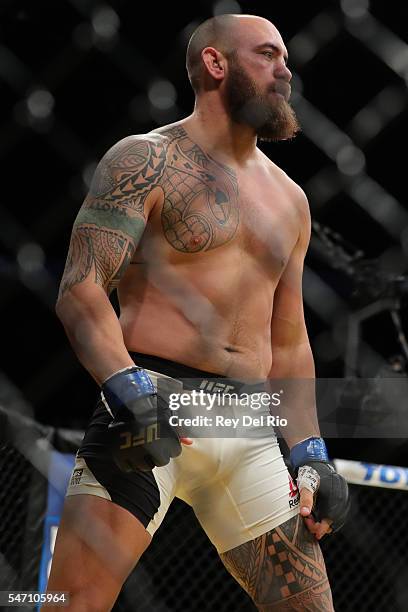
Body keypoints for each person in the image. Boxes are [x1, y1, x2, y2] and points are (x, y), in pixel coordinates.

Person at [45, 13, 349, 611]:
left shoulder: (292, 200)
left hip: (248, 425)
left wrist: (311, 449)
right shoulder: (145, 160)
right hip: (153, 402)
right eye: (267, 55)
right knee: (67, 603)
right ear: (216, 64)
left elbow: (289, 342)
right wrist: (126, 388)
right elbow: (81, 289)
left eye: (287, 57)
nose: (286, 70)